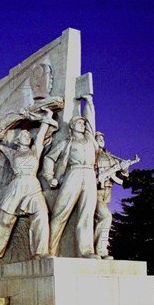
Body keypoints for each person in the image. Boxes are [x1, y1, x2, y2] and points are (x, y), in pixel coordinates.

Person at [0, 120, 52, 267]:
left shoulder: (35, 150)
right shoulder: (12, 153)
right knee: (5, 220)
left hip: (33, 185)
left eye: (28, 135)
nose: (27, 136)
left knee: (41, 215)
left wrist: (46, 117)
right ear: (17, 140)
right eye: (23, 135)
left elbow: (40, 135)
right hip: (17, 186)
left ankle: (40, 252)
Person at [43, 94, 100, 257]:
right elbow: (49, 157)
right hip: (73, 174)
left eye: (83, 123)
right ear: (72, 127)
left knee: (87, 214)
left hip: (89, 175)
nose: (83, 125)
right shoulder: (66, 142)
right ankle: (49, 249)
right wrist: (49, 177)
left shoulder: (90, 139)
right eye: (79, 123)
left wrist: (88, 102)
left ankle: (86, 251)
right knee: (60, 212)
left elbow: (91, 122)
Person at [94, 131, 139, 259]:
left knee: (98, 221)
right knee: (106, 217)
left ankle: (97, 249)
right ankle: (101, 250)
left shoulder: (110, 156)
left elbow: (120, 179)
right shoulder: (91, 154)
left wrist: (124, 169)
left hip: (107, 193)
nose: (101, 139)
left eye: (102, 137)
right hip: (94, 192)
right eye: (98, 137)